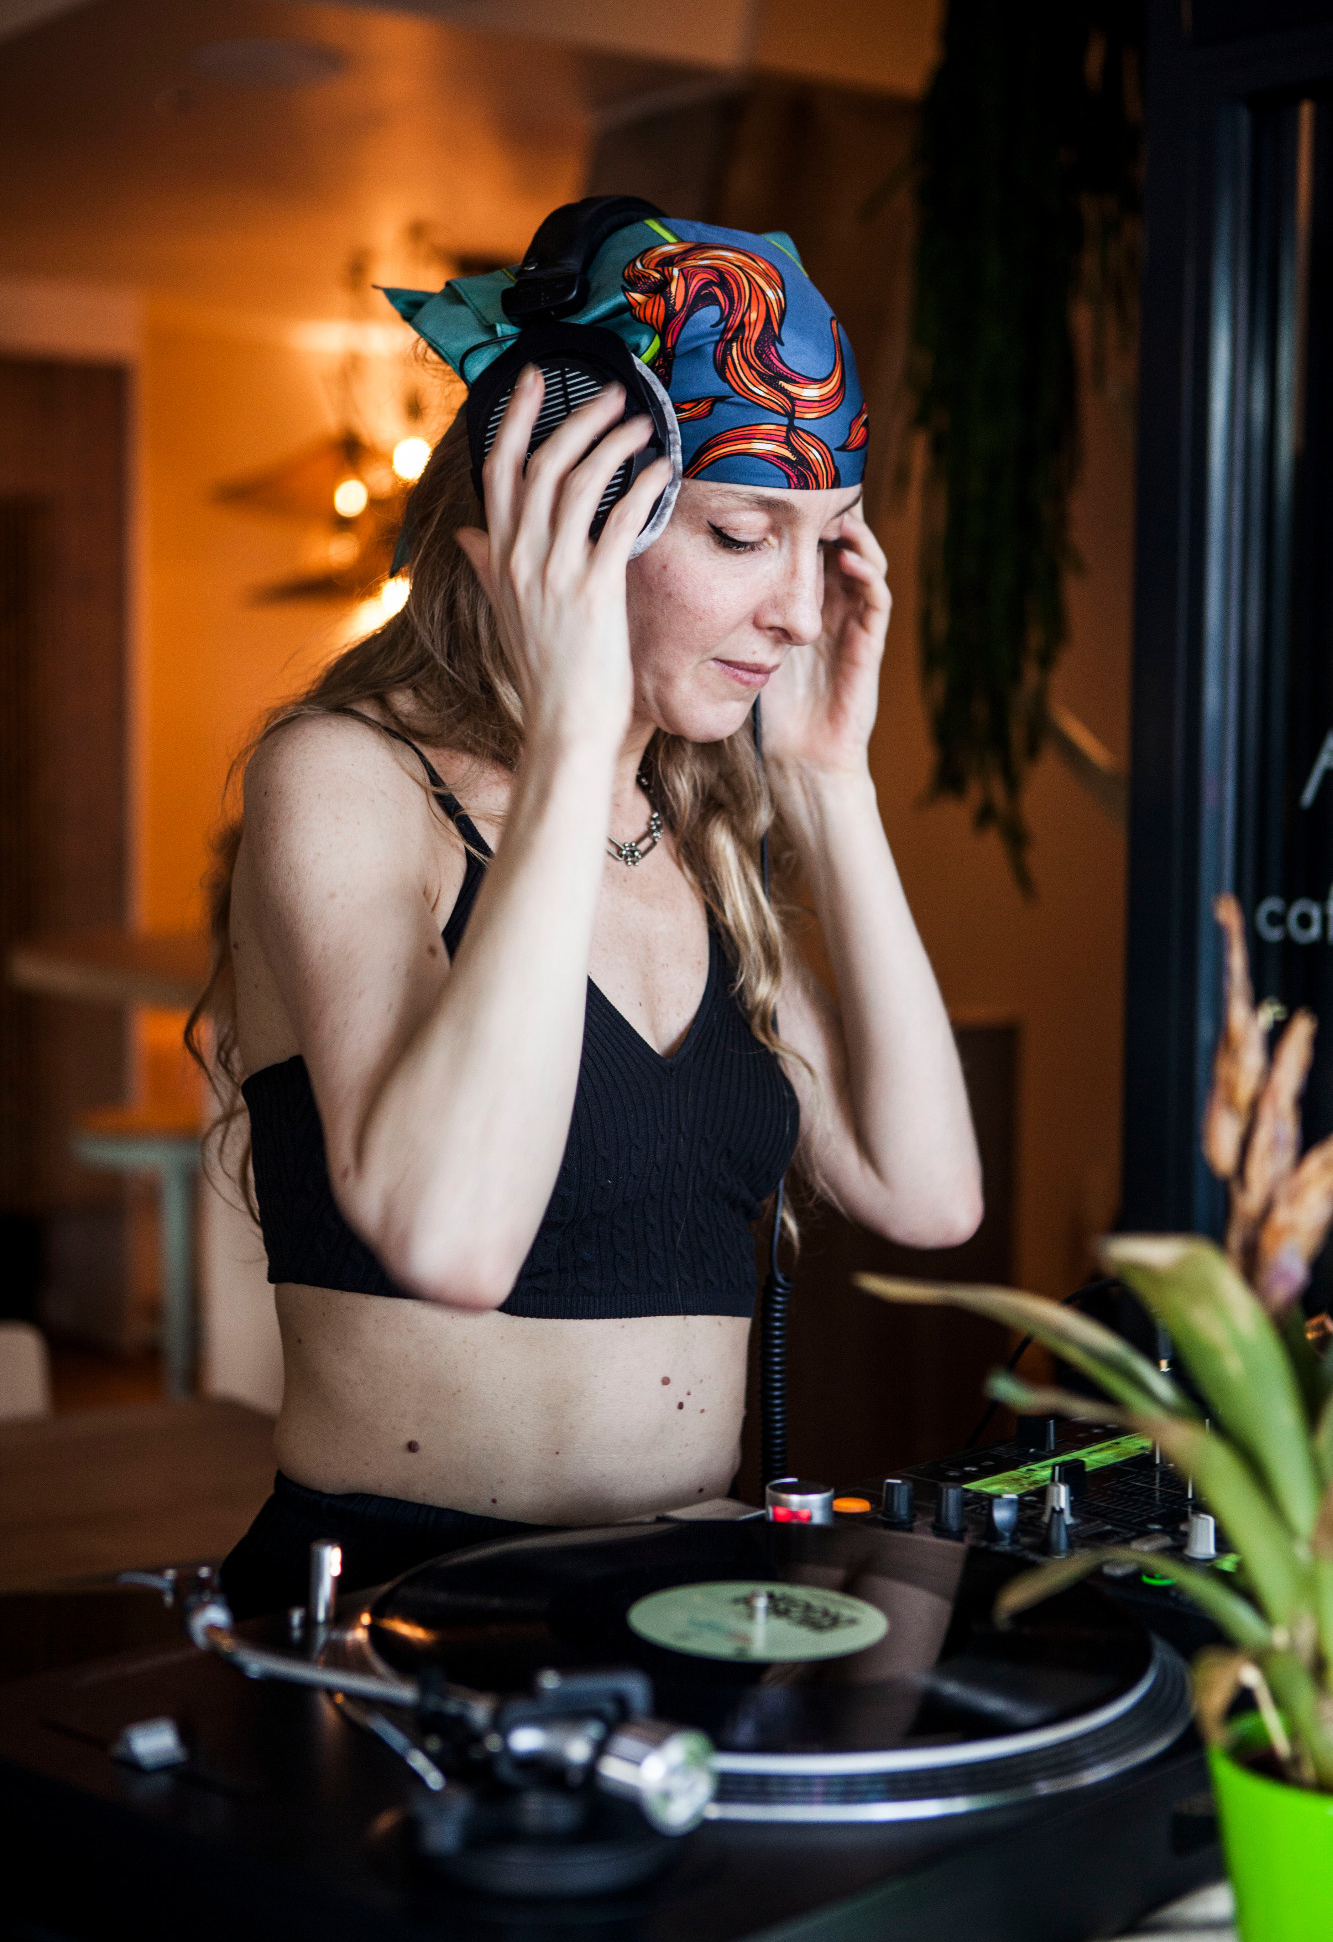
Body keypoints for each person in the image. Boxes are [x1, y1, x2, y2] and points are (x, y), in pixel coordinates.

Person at [198, 210, 982, 1617]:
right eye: (745, 534)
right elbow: (455, 1242)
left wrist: (830, 784)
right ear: (561, 516)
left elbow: (925, 1196)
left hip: (686, 1599)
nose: (800, 612)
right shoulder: (345, 777)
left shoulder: (697, 834)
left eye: (825, 549)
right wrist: (569, 737)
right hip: (400, 1606)